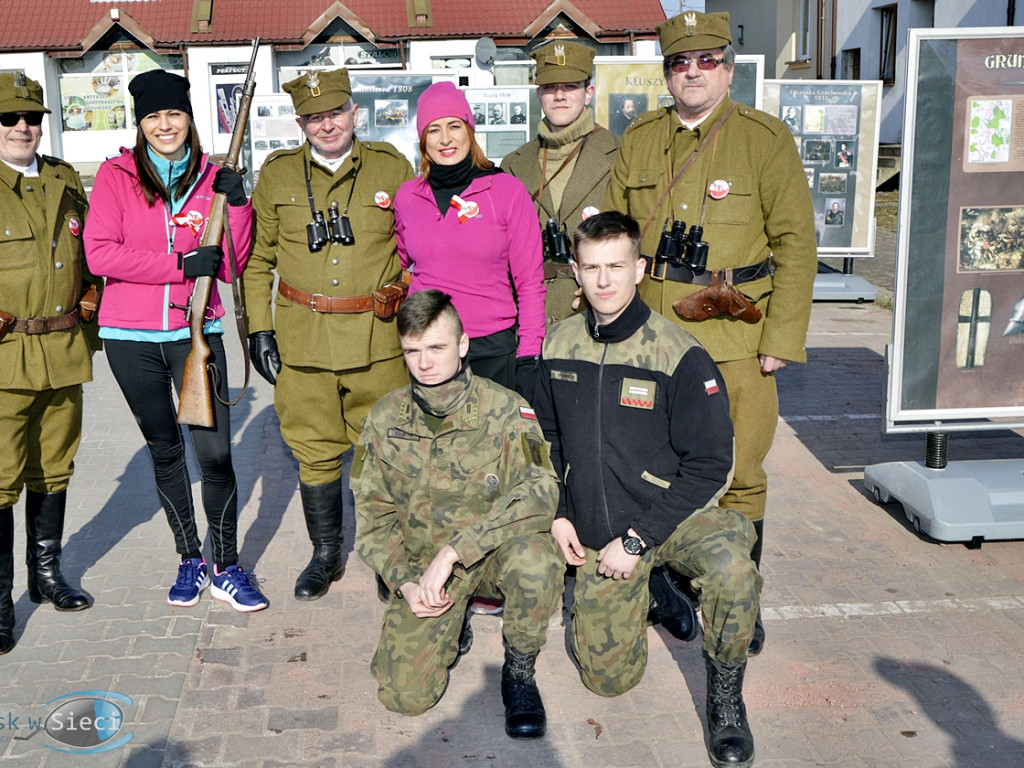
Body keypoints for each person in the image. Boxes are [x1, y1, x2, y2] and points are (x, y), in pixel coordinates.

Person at [603, 11, 817, 656]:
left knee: (743, 469)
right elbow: (616, 234)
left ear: (727, 67)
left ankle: (739, 598)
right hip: (656, 336)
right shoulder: (640, 139)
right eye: (679, 62)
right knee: (655, 468)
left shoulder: (764, 139)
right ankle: (668, 587)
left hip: (735, 335)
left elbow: (797, 245)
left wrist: (782, 337)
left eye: (706, 61)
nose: (692, 72)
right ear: (666, 71)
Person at [533, 211, 762, 768]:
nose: (604, 280)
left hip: (671, 517)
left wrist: (638, 541)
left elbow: (711, 465)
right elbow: (545, 442)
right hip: (595, 529)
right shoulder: (557, 344)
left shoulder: (680, 355)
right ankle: (653, 586)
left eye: (616, 266)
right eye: (591, 268)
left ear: (639, 268)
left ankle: (726, 701)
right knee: (606, 682)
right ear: (576, 272)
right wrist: (560, 514)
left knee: (734, 569)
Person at [84, 70, 268, 612]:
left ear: (189, 118)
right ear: (140, 123)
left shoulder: (215, 176)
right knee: (165, 451)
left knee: (214, 456)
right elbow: (100, 254)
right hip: (130, 338)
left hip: (197, 335)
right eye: (154, 117)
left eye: (175, 115)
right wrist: (178, 265)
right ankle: (190, 557)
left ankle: (228, 567)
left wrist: (237, 206)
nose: (165, 125)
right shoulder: (115, 177)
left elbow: (232, 266)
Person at [352, 289, 562, 738]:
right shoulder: (384, 418)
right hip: (422, 569)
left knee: (537, 561)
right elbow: (372, 520)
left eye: (436, 347)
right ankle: (453, 623)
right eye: (413, 350)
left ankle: (520, 673)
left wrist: (455, 551)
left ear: (463, 345)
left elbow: (541, 490)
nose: (425, 362)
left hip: (489, 558)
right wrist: (405, 582)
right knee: (403, 697)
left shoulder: (506, 409)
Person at [243, 68, 414, 601]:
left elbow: (414, 249)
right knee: (313, 450)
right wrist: (259, 328)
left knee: (383, 450)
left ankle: (389, 558)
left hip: (377, 339)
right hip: (305, 340)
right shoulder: (278, 175)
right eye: (315, 118)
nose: (327, 125)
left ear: (354, 113)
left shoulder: (392, 167)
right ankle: (326, 555)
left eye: (335, 113)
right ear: (300, 123)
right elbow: (258, 260)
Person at [0, 73, 98, 654]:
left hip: (63, 350)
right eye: (8, 119)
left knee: (53, 469)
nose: (21, 128)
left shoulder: (64, 181)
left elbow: (94, 253)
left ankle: (46, 577)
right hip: (5, 356)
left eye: (31, 118)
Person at [395, 81, 544, 400]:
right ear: (423, 139)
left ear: (469, 130)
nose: (445, 139)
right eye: (433, 130)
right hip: (429, 351)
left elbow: (530, 282)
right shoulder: (408, 197)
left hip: (490, 350)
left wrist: (529, 354)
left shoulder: (506, 192)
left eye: (454, 126)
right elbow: (403, 262)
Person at [502, 41, 619, 327]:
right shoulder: (513, 164)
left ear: (588, 93)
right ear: (539, 94)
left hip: (598, 310)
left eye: (570, 87)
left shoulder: (619, 154)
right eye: (550, 87)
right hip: (530, 314)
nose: (559, 96)